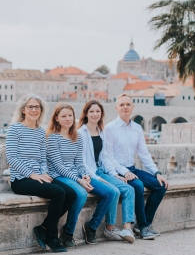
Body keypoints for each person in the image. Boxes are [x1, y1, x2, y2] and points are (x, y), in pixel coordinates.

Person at [6, 94, 76, 253]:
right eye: (30, 107)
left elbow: (43, 158)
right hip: (21, 179)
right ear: (23, 110)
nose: (34, 110)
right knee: (58, 192)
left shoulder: (40, 132)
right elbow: (12, 157)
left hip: (38, 177)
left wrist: (43, 173)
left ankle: (43, 227)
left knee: (71, 194)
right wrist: (32, 174)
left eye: (37, 107)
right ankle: (52, 237)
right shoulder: (15, 129)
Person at [46, 103, 120, 246]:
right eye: (63, 116)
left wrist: (85, 175)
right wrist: (80, 181)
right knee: (81, 194)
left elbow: (80, 162)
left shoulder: (77, 137)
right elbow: (59, 167)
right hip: (60, 176)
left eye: (70, 115)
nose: (68, 119)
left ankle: (91, 226)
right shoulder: (52, 138)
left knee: (110, 192)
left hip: (77, 175)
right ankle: (68, 233)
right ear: (56, 118)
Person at [102, 93, 169, 240]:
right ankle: (144, 228)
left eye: (128, 104)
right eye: (122, 105)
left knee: (160, 185)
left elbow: (144, 154)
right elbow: (108, 157)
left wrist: (157, 172)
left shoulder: (137, 128)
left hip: (133, 169)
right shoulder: (109, 128)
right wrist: (124, 172)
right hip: (118, 170)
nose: (125, 107)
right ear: (116, 108)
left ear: (132, 107)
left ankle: (142, 225)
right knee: (137, 185)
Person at [77, 100, 136, 243]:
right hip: (87, 174)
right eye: (91, 111)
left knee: (128, 189)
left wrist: (115, 175)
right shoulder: (80, 133)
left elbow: (106, 158)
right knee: (114, 191)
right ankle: (97, 227)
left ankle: (126, 229)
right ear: (86, 113)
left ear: (101, 114)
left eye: (98, 111)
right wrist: (95, 177)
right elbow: (81, 161)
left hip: (102, 171)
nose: (95, 114)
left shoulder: (102, 132)